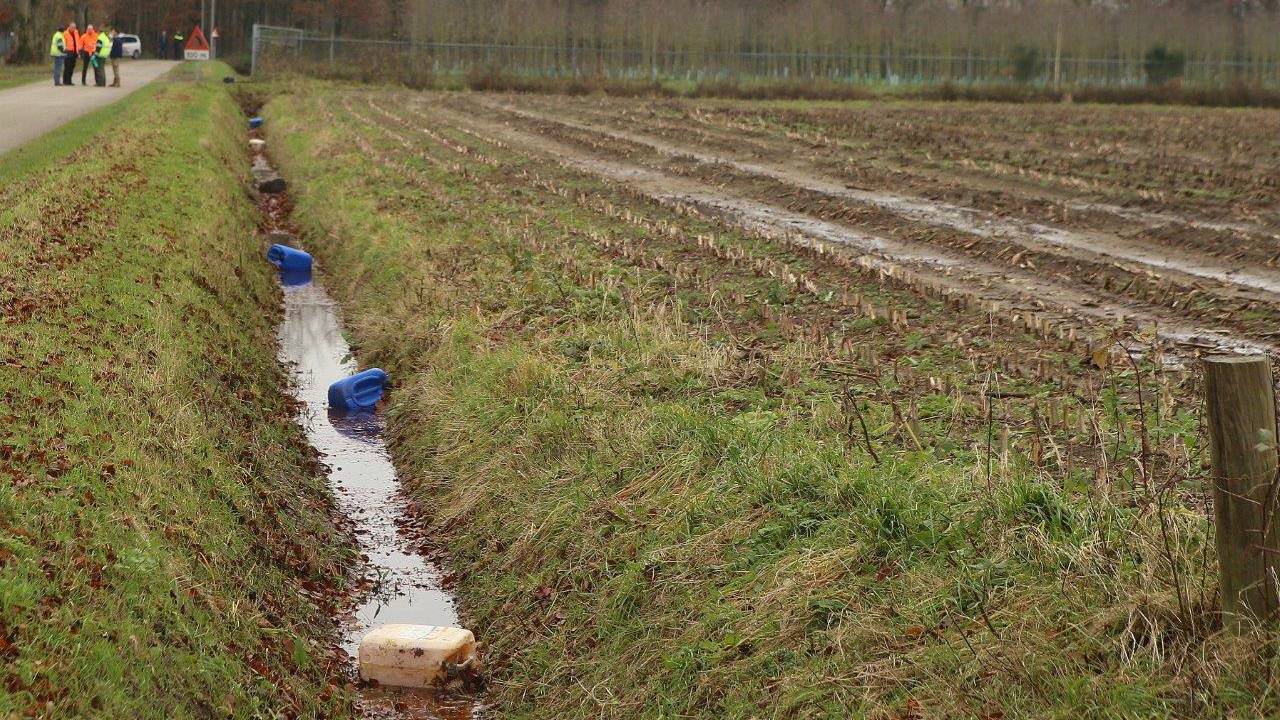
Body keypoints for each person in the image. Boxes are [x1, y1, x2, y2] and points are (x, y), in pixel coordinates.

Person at [62, 22, 79, 87]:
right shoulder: (65, 33)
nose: (73, 29)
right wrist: (64, 50)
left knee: (72, 67)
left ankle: (69, 81)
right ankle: (65, 81)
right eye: (72, 27)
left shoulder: (76, 32)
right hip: (68, 52)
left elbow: (77, 42)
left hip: (74, 52)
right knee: (67, 67)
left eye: (74, 27)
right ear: (69, 27)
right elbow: (63, 43)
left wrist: (78, 51)